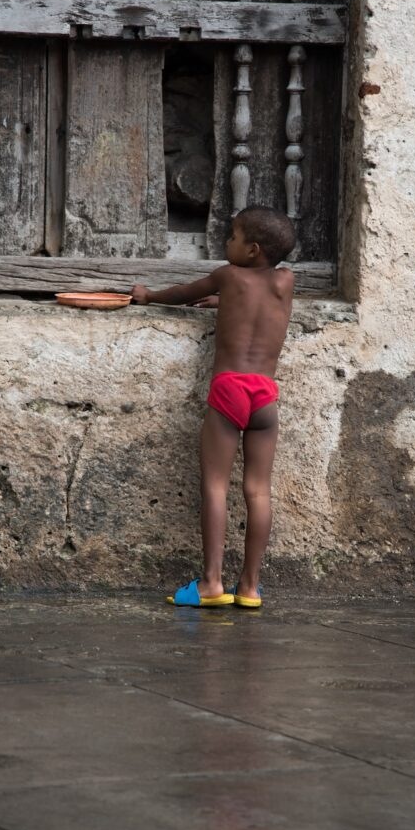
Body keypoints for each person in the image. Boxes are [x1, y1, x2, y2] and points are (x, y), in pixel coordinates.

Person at [131, 206, 295, 609]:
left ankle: (211, 583)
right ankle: (251, 588)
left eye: (233, 236)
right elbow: (253, 306)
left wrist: (148, 296)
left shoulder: (227, 277)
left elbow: (182, 293)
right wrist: (222, 304)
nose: (226, 243)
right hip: (264, 394)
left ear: (252, 249)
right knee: (258, 490)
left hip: (229, 390)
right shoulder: (286, 281)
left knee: (216, 486)